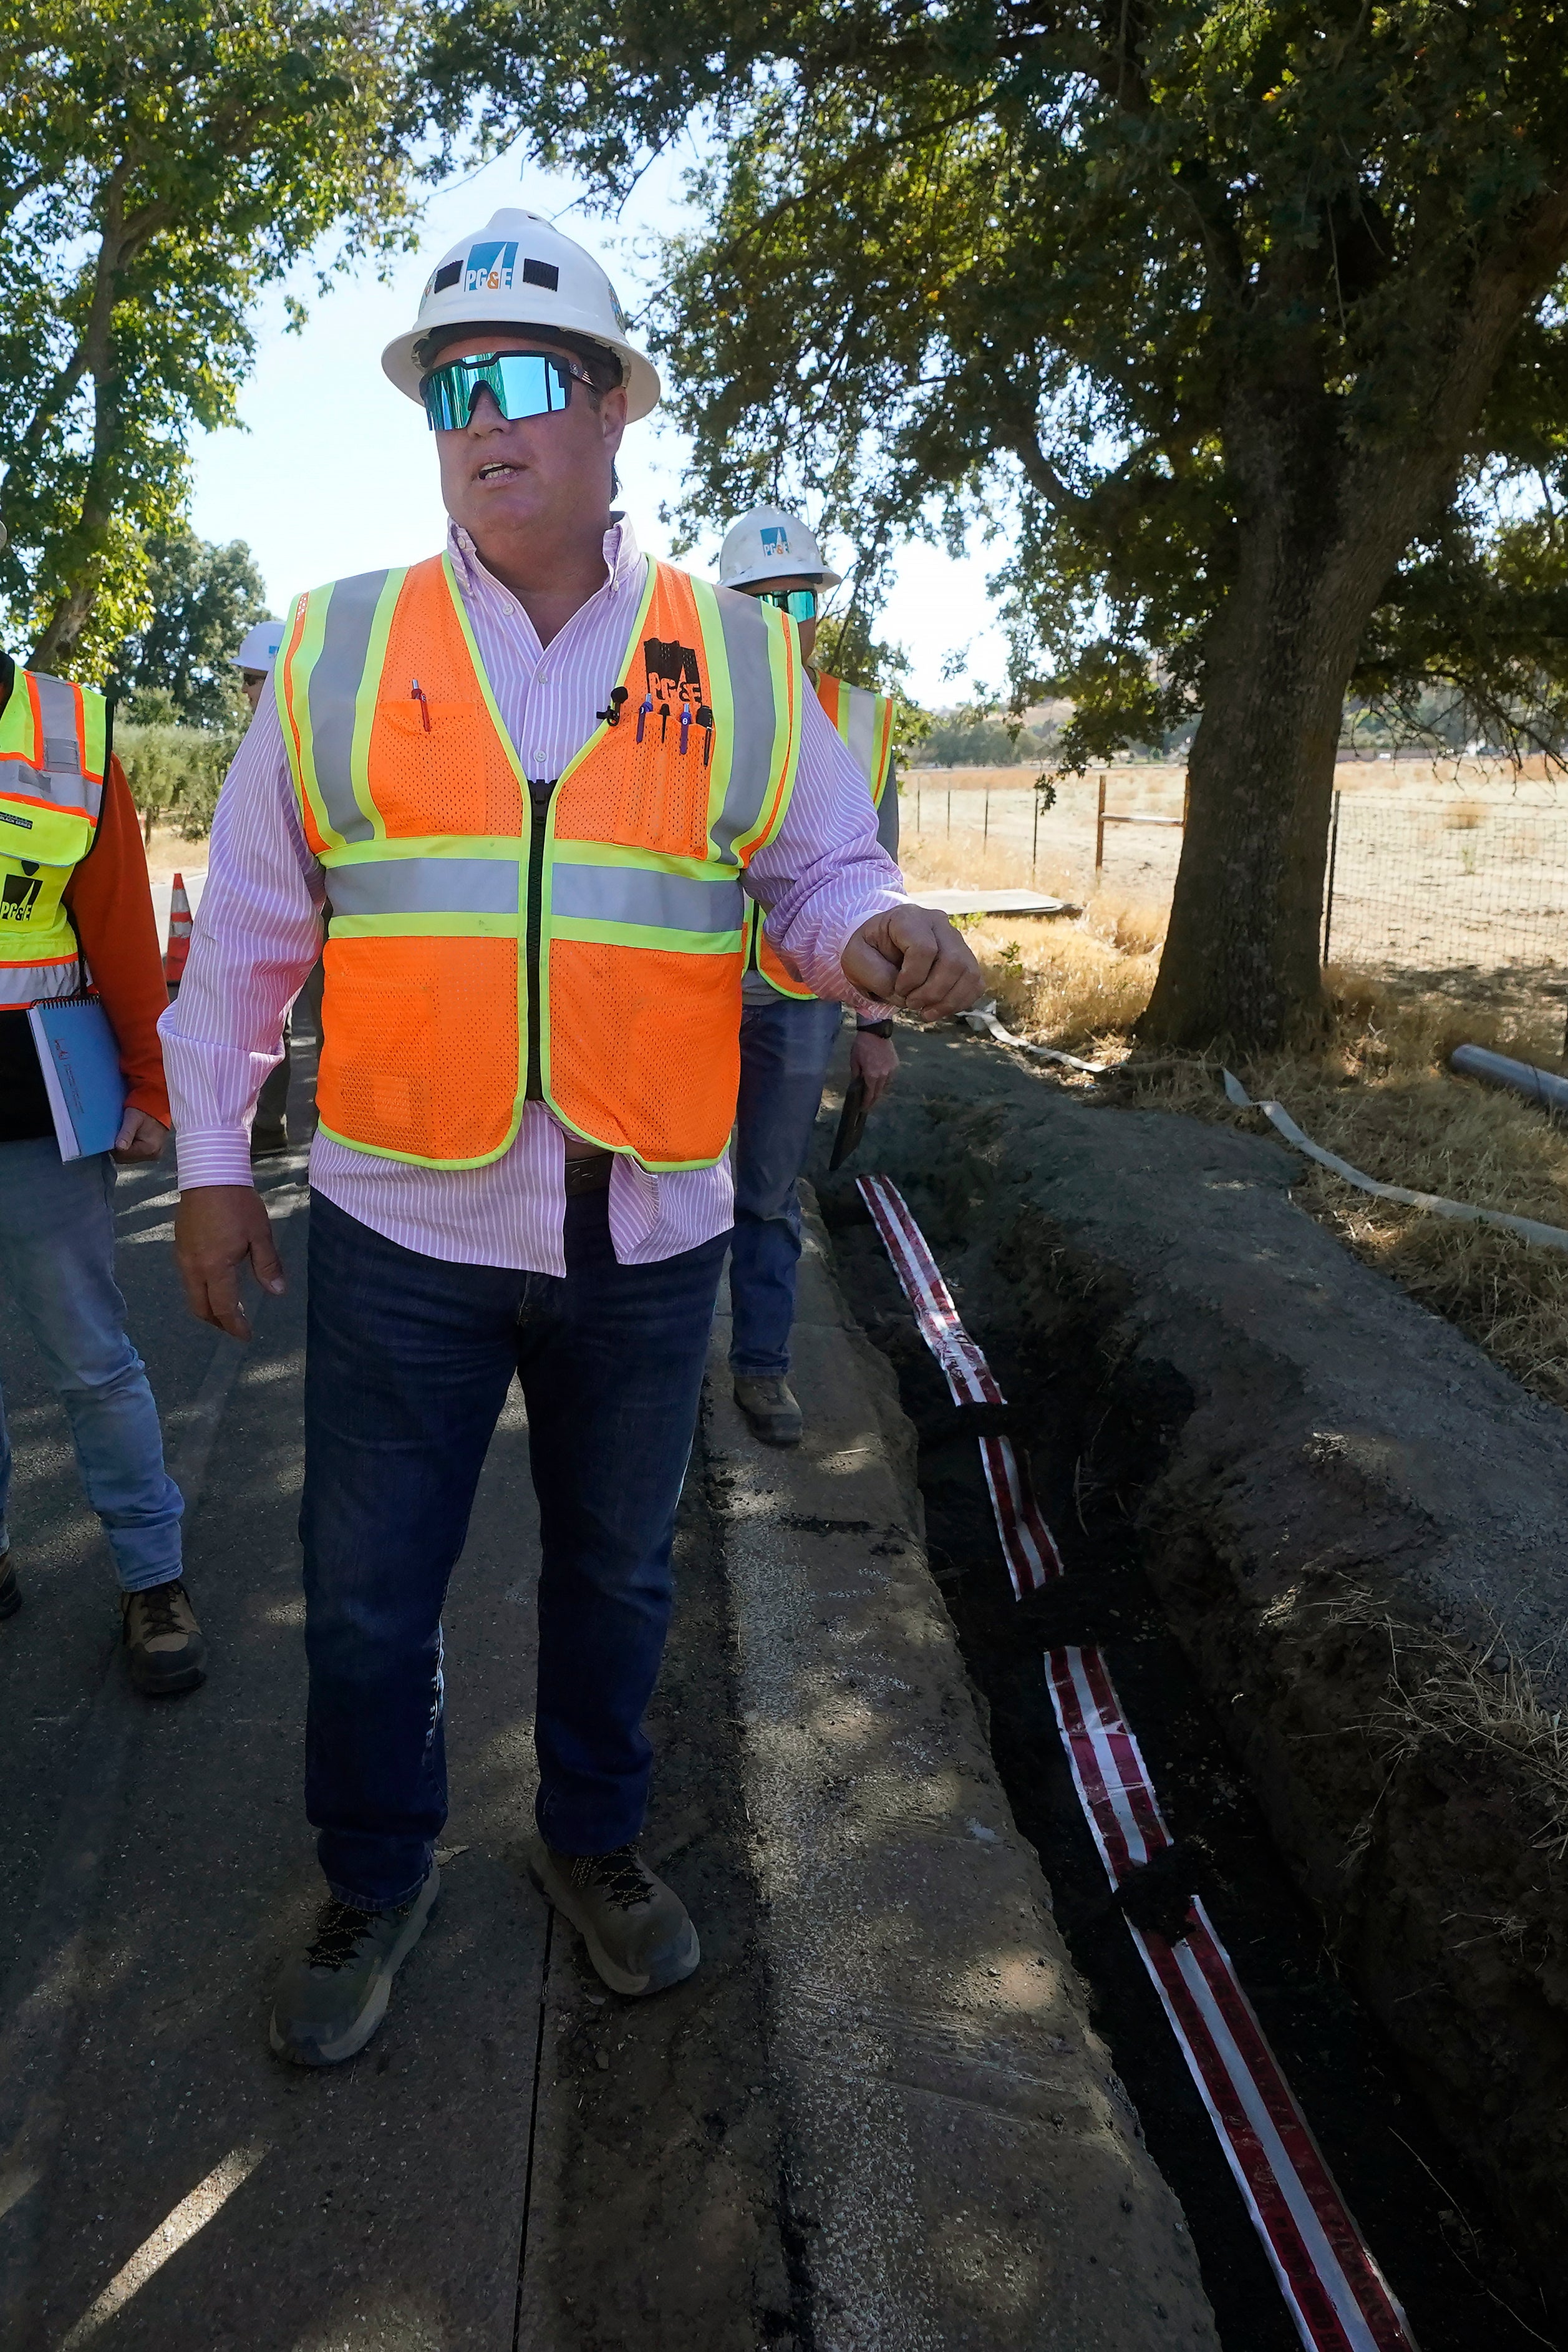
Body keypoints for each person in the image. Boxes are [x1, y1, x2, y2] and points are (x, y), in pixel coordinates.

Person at [163, 207, 982, 2068]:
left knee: (616, 1575)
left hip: (650, 1221)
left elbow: (818, 872)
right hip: (397, 1223)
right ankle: (375, 1864)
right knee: (370, 1596)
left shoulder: (738, 660)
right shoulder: (336, 648)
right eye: (448, 384)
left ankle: (593, 1841)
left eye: (526, 375)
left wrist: (876, 936)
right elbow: (244, 944)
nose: (481, 414)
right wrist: (214, 1161)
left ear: (616, 406)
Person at [0, 526, 200, 1693]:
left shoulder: (68, 732)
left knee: (90, 1359)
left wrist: (151, 1086)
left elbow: (122, 928)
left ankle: (152, 1578)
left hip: (35, 1105)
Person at [719, 506, 903, 1446]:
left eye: (798, 597)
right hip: (695, 991)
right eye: (760, 600)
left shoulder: (861, 722)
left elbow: (876, 878)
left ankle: (761, 1368)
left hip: (801, 998)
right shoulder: (691, 700)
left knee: (767, 1191)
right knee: (663, 1189)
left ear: (819, 611)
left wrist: (874, 1025)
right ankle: (651, 1385)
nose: (782, 615)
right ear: (728, 609)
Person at [229, 620, 320, 1160]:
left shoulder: (324, 744)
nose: (245, 690)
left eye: (251, 678)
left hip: (326, 914)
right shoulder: (257, 746)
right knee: (268, 1025)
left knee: (335, 1024)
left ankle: (338, 1142)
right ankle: (266, 1126)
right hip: (274, 909)